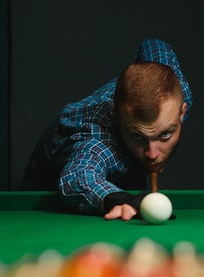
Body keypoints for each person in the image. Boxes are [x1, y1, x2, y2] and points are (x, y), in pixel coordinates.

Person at [21, 39, 192, 221]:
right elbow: (77, 178)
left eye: (165, 134)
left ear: (182, 111)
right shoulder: (97, 140)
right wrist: (122, 199)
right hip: (45, 205)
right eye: (136, 136)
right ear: (117, 118)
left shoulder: (176, 87)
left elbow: (153, 45)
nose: (152, 154)